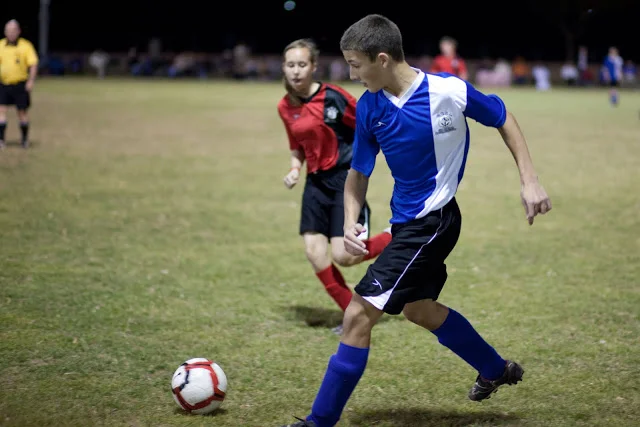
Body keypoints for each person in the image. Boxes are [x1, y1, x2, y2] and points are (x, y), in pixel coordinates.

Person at [279, 15, 552, 427]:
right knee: (419, 310)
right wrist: (350, 220)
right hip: (406, 224)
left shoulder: (447, 90)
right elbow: (359, 173)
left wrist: (529, 180)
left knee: (357, 316)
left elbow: (503, 117)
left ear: (382, 59)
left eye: (355, 65)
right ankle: (496, 369)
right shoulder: (370, 106)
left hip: (434, 221)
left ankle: (319, 421)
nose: (352, 75)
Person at [277, 39, 392, 334]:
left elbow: (367, 123)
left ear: (313, 67)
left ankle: (395, 237)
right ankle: (353, 315)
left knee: (345, 256)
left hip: (345, 182)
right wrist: (294, 169)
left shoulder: (334, 97)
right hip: (315, 184)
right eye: (290, 65)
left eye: (302, 64)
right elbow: (297, 145)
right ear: (284, 68)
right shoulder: (285, 106)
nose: (296, 71)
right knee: (315, 253)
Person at [0, 19, 38, 149]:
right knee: (1, 110)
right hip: (4, 84)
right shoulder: (1, 45)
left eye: (13, 30)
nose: (11, 33)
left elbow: (33, 64)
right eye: (8, 30)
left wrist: (31, 80)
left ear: (18, 31)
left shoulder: (25, 46)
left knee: (22, 112)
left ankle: (24, 140)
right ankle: (1, 140)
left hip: (20, 84)